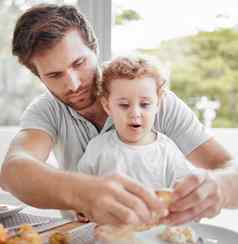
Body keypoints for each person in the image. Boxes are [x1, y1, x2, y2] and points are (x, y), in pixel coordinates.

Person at [0, 3, 237, 226]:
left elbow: (228, 165)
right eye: (54, 75)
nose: (73, 84)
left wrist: (221, 188)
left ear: (95, 49)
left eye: (79, 63)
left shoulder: (150, 101)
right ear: (39, 76)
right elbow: (14, 170)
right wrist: (83, 193)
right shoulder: (48, 110)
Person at [77, 56, 203, 196]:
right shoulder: (98, 147)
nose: (135, 113)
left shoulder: (167, 150)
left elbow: (183, 192)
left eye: (144, 105)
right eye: (124, 105)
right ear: (107, 106)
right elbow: (82, 190)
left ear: (157, 105)